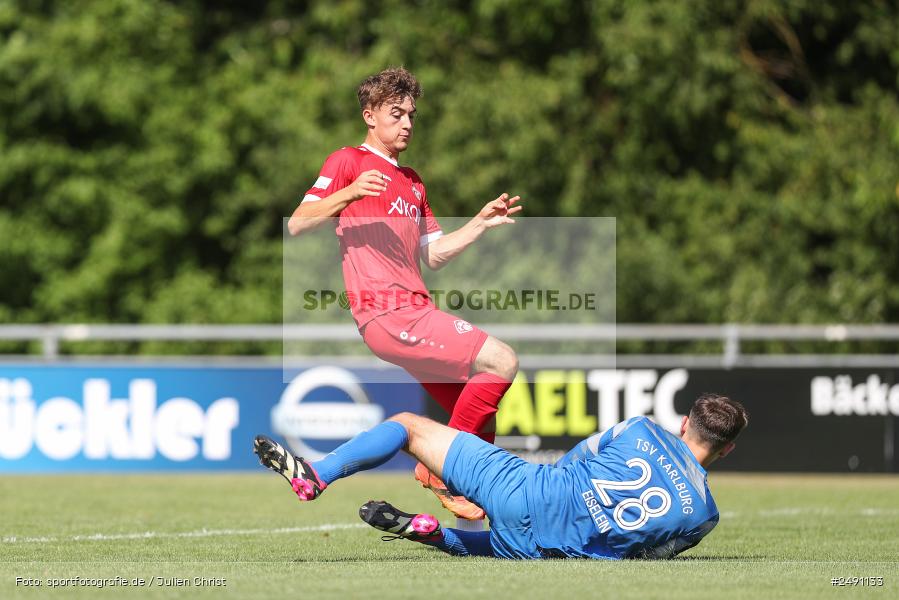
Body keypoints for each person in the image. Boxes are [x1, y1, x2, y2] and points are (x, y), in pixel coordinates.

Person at [286, 66, 522, 520]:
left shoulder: (413, 182)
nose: (407, 123)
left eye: (411, 114)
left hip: (412, 310)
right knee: (502, 360)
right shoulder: (348, 162)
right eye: (396, 114)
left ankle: (471, 499)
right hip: (389, 313)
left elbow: (433, 254)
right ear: (370, 115)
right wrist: (349, 193)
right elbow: (298, 222)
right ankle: (438, 472)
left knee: (479, 410)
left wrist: (478, 224)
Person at [253, 393, 749, 559]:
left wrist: (500, 496)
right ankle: (436, 535)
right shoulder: (705, 516)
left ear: (683, 423)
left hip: (529, 490)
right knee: (505, 546)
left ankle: (316, 476)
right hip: (557, 550)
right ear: (726, 449)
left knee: (408, 426)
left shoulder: (640, 429)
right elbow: (646, 556)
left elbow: (573, 460)